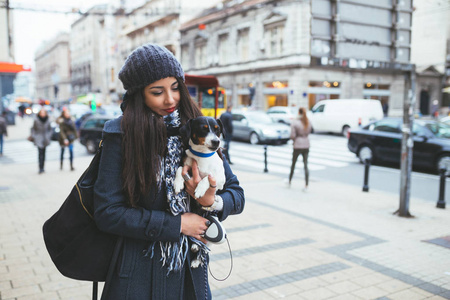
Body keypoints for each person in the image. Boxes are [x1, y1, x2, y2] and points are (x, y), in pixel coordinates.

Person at [93, 43, 245, 300]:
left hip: (190, 271)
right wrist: (177, 224)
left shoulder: (196, 131)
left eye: (175, 87)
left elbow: (237, 195)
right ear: (138, 94)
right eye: (157, 91)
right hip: (138, 275)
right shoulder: (121, 135)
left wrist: (213, 201)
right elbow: (107, 213)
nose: (171, 99)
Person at [288, 107, 312, 191]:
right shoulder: (307, 121)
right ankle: (306, 184)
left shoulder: (295, 122)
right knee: (306, 165)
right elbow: (309, 131)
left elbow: (292, 135)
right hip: (306, 144)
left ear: (299, 112)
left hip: (298, 145)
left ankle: (289, 180)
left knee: (293, 164)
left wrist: (294, 140)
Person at [30, 108, 53, 173]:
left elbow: (50, 129)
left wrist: (49, 135)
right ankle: (40, 168)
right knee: (40, 153)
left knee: (44, 153)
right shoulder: (36, 120)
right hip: (38, 138)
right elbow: (33, 129)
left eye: (44, 113)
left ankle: (43, 167)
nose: (42, 114)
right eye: (41, 113)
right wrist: (34, 136)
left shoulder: (48, 120)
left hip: (45, 138)